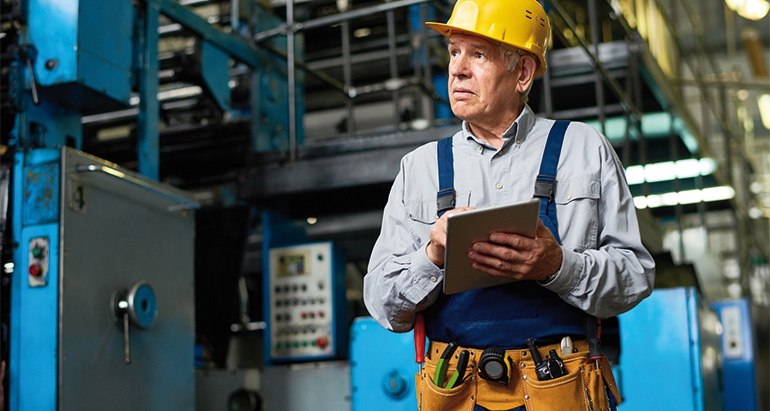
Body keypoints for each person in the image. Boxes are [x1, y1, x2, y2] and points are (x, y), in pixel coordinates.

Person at [363, 0, 656, 410]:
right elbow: (382, 304)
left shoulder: (584, 150)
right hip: (457, 390)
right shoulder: (420, 169)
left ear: (523, 72)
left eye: (477, 54)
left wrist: (557, 266)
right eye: (453, 52)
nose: (457, 69)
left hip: (559, 388)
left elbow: (635, 277)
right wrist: (431, 257)